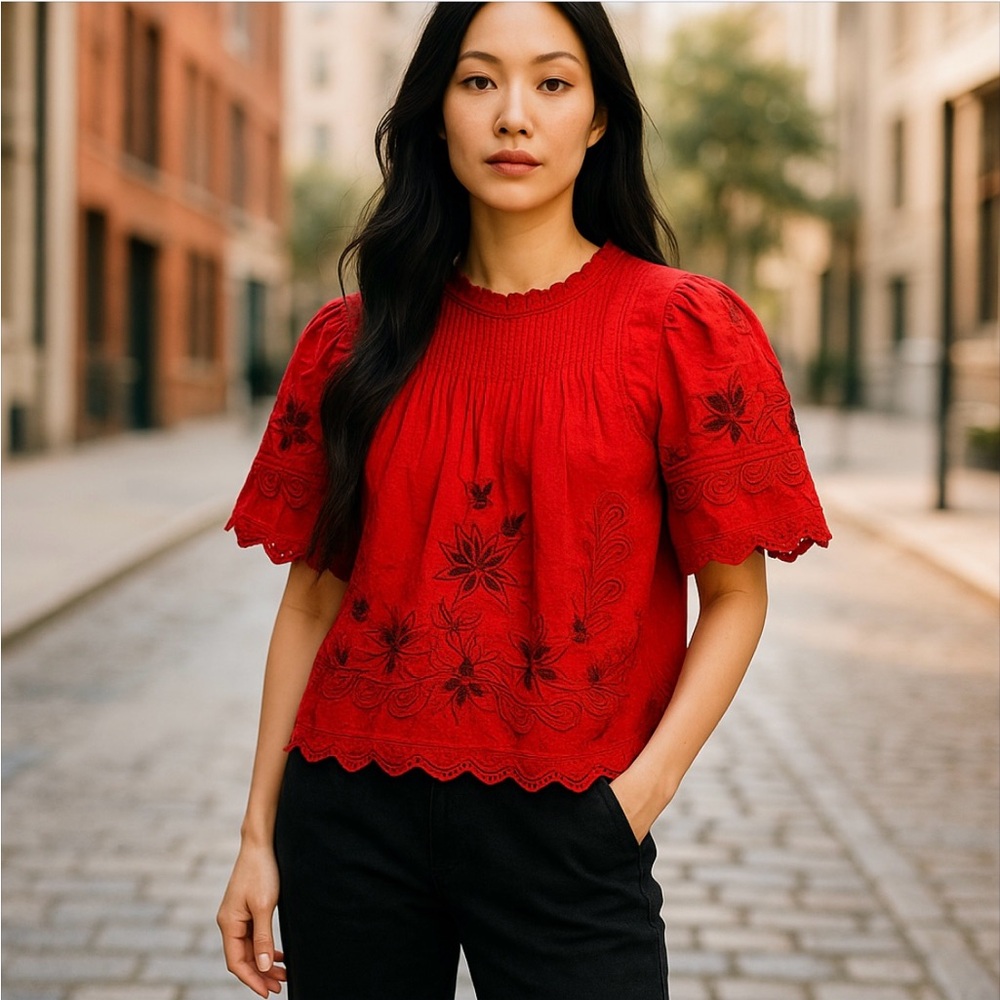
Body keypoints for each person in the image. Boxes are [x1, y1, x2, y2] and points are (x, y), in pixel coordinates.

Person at [217, 3, 831, 998]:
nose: (513, 115)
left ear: (597, 119)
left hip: (571, 829)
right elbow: (311, 601)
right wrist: (257, 835)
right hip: (350, 821)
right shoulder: (349, 343)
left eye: (551, 83)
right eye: (477, 81)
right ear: (437, 111)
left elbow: (735, 596)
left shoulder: (682, 330)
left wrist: (637, 797)